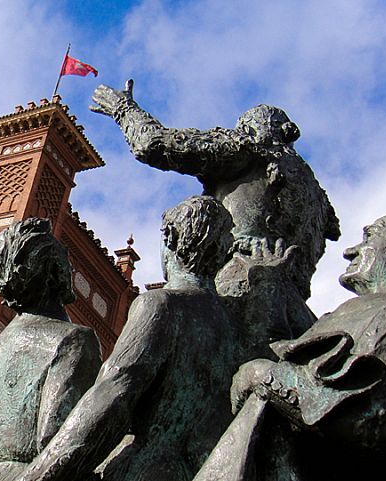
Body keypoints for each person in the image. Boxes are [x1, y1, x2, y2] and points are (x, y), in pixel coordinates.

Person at [91, 80, 340, 350]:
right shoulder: (317, 195)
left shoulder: (250, 149)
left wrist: (122, 107)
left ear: (254, 128)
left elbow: (153, 144)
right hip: (295, 312)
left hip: (238, 285)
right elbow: (333, 229)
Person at [17, 196, 241, 481]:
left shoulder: (162, 305)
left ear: (169, 238)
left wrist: (38, 475)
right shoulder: (233, 325)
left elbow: (112, 395)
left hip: (149, 469)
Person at [197, 213, 386, 481]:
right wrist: (269, 283)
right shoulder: (354, 310)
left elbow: (369, 421)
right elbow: (284, 356)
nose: (350, 251)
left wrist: (261, 375)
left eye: (370, 237)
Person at [0, 218, 101, 481]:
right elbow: (59, 443)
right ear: (51, 271)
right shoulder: (73, 340)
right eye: (65, 261)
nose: (70, 268)